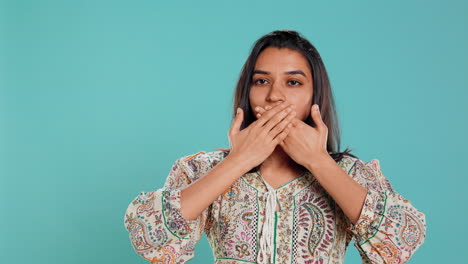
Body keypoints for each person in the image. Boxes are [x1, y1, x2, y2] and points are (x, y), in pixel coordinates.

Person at [123, 30, 426, 264]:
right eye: (261, 81)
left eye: (293, 83)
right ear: (248, 92)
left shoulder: (347, 173)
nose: (275, 97)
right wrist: (238, 161)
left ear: (314, 97)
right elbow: (150, 239)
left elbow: (402, 242)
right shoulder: (201, 169)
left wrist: (318, 161)